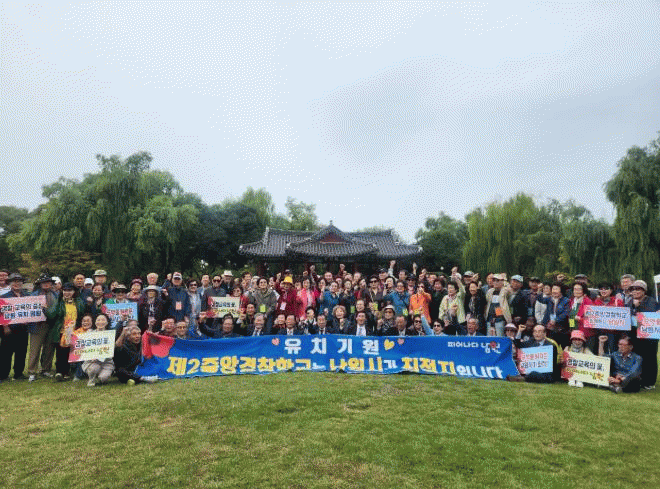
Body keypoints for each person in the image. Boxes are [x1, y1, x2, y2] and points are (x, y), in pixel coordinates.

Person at [46, 282, 86, 381]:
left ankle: (68, 372)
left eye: (69, 290)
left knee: (71, 352)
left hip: (75, 331)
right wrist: (51, 306)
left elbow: (82, 313)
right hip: (62, 331)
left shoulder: (78, 302)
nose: (67, 293)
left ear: (74, 292)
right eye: (65, 290)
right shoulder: (59, 302)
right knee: (61, 352)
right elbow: (51, 315)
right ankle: (59, 372)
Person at [626, 280, 659, 390]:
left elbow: (648, 316)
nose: (635, 291)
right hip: (634, 334)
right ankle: (638, 379)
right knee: (637, 357)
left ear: (644, 291)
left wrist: (638, 307)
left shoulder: (651, 301)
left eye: (638, 289)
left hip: (649, 336)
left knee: (649, 358)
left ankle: (649, 382)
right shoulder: (630, 301)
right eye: (633, 289)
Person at [27, 274, 58, 381]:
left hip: (51, 325)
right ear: (40, 284)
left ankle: (45, 369)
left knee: (49, 349)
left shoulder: (56, 294)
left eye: (48, 282)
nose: (46, 284)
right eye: (44, 282)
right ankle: (32, 371)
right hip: (37, 325)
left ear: (51, 284)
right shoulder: (33, 295)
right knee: (35, 349)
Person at [0, 273, 30, 381]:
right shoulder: (4, 297)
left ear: (22, 283)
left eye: (19, 281)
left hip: (23, 328)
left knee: (21, 352)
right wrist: (5, 327)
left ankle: (18, 373)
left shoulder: (27, 296)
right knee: (6, 353)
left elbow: (31, 311)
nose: (17, 283)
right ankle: (3, 374)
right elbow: (1, 313)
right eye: (14, 281)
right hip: (9, 328)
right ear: (10, 283)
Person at [82, 314, 115, 387]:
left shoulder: (110, 334)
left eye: (103, 320)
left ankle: (101, 376)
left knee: (103, 378)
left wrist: (99, 357)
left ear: (107, 322)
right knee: (94, 368)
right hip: (91, 362)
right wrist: (91, 357)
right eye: (98, 320)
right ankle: (91, 379)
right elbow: (84, 348)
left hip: (106, 363)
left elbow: (110, 351)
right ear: (95, 322)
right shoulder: (89, 333)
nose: (100, 322)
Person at [537, 283, 571, 348]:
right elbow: (540, 299)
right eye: (553, 289)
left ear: (561, 291)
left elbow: (565, 313)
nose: (554, 291)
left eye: (556, 289)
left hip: (560, 328)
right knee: (548, 345)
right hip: (548, 326)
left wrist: (555, 320)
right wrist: (539, 290)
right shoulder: (549, 299)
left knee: (558, 346)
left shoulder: (566, 300)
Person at [569, 282, 595, 351]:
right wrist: (571, 328)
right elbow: (571, 316)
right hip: (575, 332)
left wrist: (580, 319)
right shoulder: (572, 301)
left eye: (579, 289)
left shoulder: (588, 302)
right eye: (575, 289)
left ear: (583, 291)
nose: (576, 291)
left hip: (586, 333)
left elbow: (592, 319)